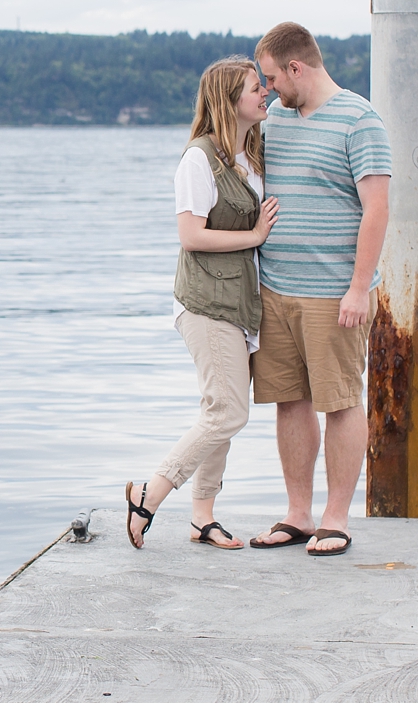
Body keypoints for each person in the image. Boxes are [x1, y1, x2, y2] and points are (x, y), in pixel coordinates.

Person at [248, 22, 391, 557]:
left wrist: (358, 288)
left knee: (341, 401)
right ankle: (298, 514)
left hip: (335, 294)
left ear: (296, 68)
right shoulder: (275, 120)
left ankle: (336, 518)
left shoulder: (360, 119)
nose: (267, 90)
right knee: (290, 400)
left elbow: (376, 209)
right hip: (275, 289)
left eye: (270, 78)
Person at [125, 57, 280, 551]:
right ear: (230, 99)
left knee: (220, 410)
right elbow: (191, 236)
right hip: (206, 304)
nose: (266, 94)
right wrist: (254, 234)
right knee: (228, 413)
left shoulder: (249, 151)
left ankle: (203, 517)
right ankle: (151, 490)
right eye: (257, 88)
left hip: (239, 303)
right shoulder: (199, 159)